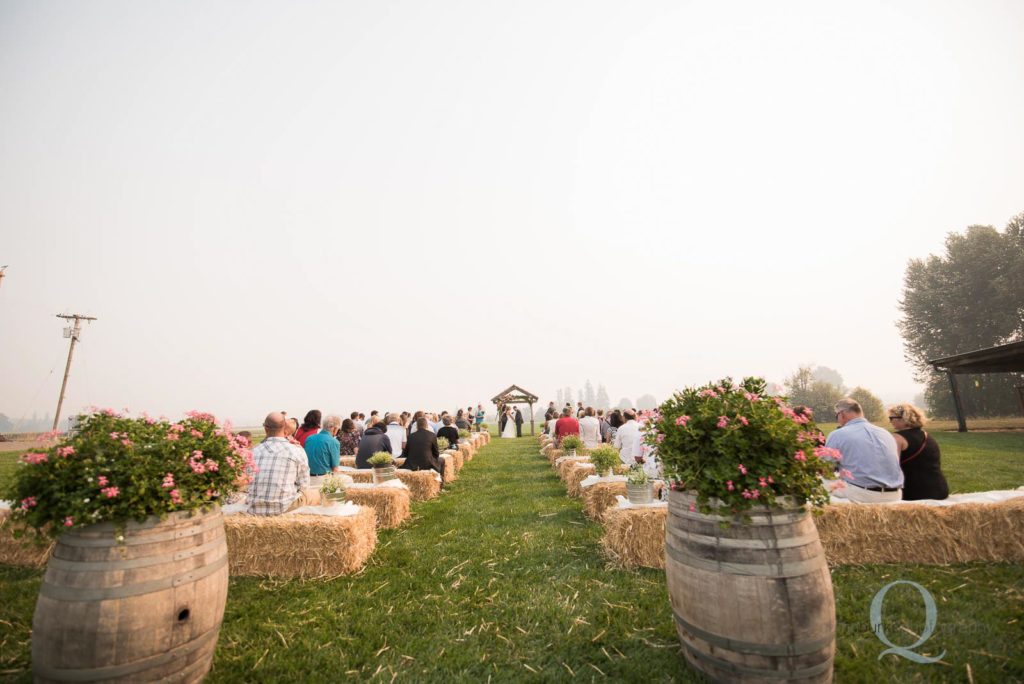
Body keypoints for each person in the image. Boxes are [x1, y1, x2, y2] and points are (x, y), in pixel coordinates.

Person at [824, 398, 903, 503]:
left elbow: (825, 468)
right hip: (895, 494)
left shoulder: (838, 434)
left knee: (816, 482)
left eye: (836, 416)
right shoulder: (885, 433)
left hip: (863, 494)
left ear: (842, 414)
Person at [248, 412, 314, 515]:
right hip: (284, 507)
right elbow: (304, 485)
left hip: (254, 508)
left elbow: (246, 482)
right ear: (285, 428)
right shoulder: (297, 450)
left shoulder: (253, 451)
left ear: (265, 429)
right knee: (315, 495)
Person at [888, 403, 949, 501]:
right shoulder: (927, 436)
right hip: (939, 489)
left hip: (915, 492)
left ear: (903, 418)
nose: (890, 421)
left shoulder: (897, 438)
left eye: (891, 418)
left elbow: (892, 467)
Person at [304, 414, 342, 486]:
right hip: (323, 479)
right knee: (348, 480)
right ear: (334, 428)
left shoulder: (309, 438)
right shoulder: (334, 442)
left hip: (307, 478)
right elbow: (335, 469)